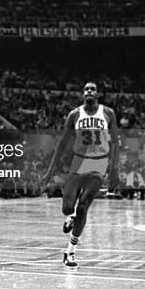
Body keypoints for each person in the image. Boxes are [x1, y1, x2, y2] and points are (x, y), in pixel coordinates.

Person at [43, 82, 119, 268]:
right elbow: (62, 143)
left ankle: (70, 252)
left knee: (84, 206)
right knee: (67, 208)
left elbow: (115, 143)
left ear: (98, 93)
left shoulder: (108, 113)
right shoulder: (74, 114)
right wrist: (49, 171)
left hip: (99, 163)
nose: (89, 91)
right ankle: (71, 216)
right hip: (78, 162)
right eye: (86, 89)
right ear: (83, 94)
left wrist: (114, 169)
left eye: (92, 89)